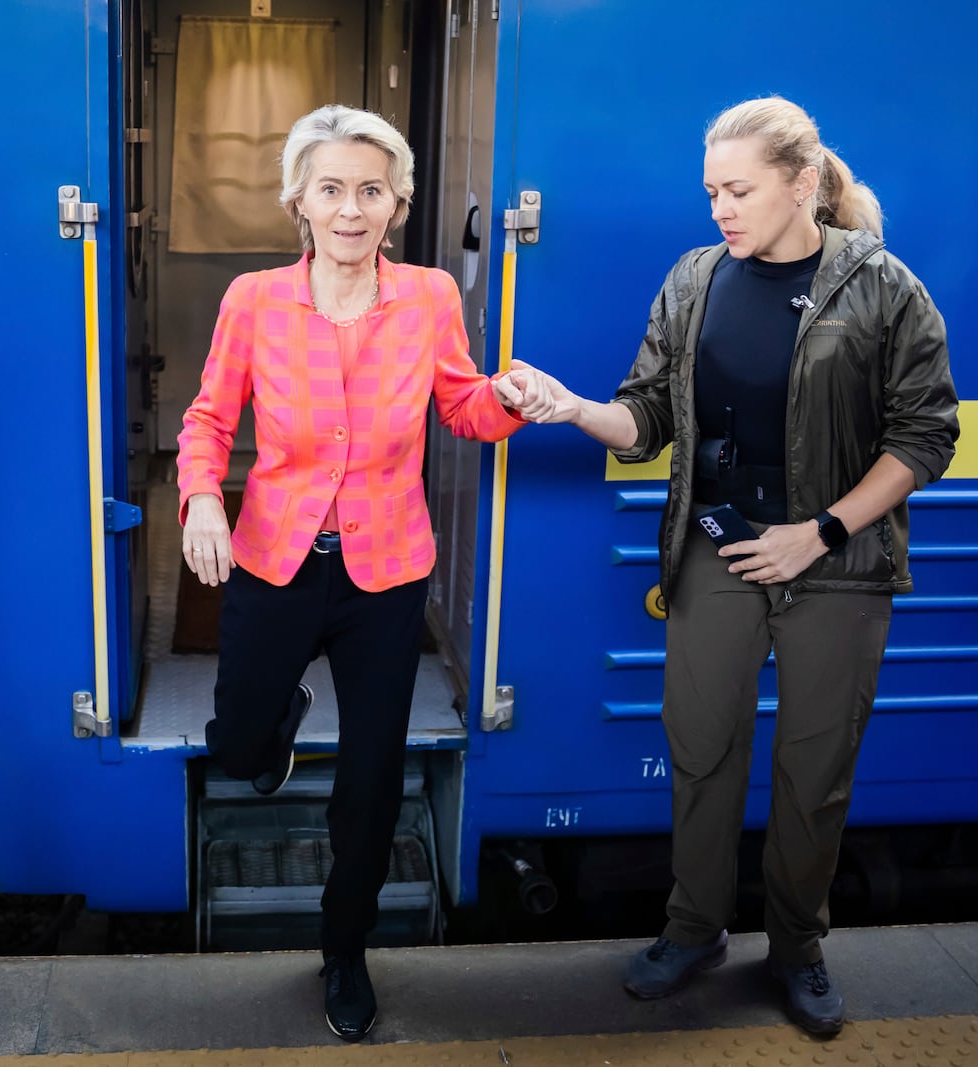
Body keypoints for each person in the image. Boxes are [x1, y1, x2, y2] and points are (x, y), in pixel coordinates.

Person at [500, 96, 959, 1038]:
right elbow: (648, 416)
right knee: (701, 748)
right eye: (711, 190)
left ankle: (797, 945)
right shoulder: (695, 279)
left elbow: (926, 435)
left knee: (814, 767)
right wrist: (572, 407)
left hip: (836, 566)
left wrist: (819, 531)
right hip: (716, 553)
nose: (721, 208)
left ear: (801, 182)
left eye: (739, 189)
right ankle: (694, 928)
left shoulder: (883, 287)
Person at [177, 104, 526, 1041]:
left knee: (371, 775)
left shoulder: (428, 299)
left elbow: (462, 409)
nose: (350, 208)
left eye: (371, 189)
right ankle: (276, 720)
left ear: (399, 202)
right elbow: (210, 420)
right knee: (239, 747)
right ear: (298, 198)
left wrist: (510, 399)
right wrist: (203, 498)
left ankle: (345, 946)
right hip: (276, 559)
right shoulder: (254, 300)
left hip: (384, 571)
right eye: (330, 188)